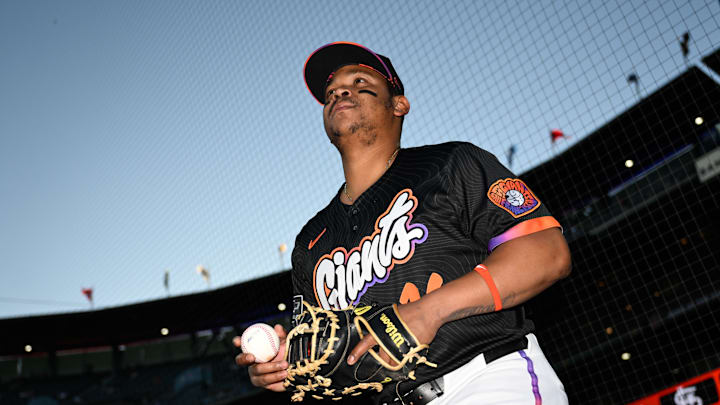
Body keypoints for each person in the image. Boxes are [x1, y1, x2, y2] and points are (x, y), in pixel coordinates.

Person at [235, 42, 571, 405]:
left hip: (484, 378)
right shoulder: (311, 241)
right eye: (331, 92)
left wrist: (428, 311)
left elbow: (547, 253)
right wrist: (289, 364)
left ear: (399, 104)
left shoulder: (451, 163)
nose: (340, 92)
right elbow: (328, 351)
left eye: (360, 82)